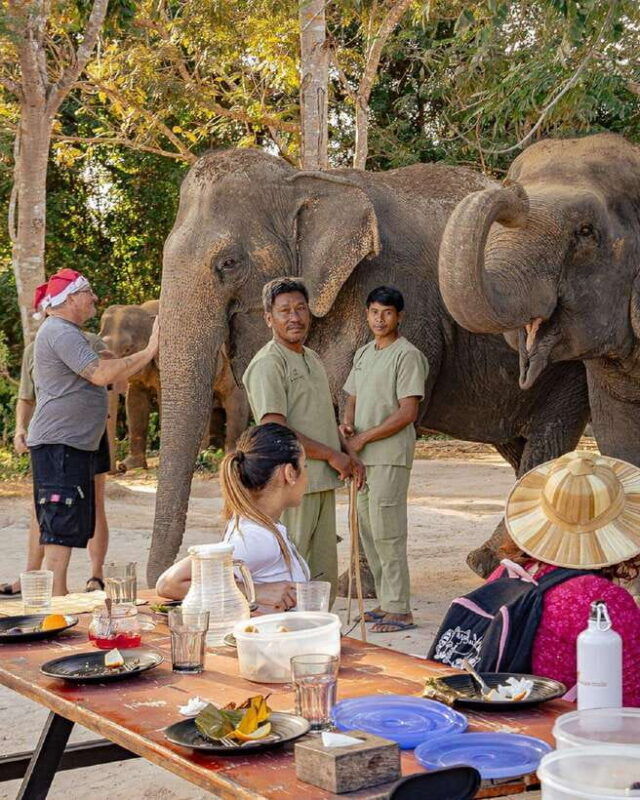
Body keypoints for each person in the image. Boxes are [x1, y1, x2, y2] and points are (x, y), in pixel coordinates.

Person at [431, 451, 640, 706]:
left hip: (514, 718)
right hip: (569, 730)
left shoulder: (508, 574)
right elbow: (631, 693)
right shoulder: (603, 601)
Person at [26, 268, 159, 596]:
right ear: (70, 298)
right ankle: (55, 607)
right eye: (88, 293)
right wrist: (149, 350)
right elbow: (99, 374)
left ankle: (61, 601)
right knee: (59, 524)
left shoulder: (71, 333)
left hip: (78, 442)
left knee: (72, 520)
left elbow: (112, 378)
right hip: (60, 444)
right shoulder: (59, 331)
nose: (94, 299)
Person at [242, 278, 364, 600]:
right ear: (269, 318)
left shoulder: (311, 357)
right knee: (294, 574)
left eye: (300, 309)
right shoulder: (268, 364)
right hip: (291, 483)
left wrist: (347, 452)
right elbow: (276, 432)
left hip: (321, 480)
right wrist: (331, 455)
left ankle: (323, 640)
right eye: (284, 311)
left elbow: (322, 419)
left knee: (322, 577)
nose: (294, 317)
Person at [341, 286, 428, 633]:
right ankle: (385, 601)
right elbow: (352, 395)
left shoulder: (407, 355)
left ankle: (399, 609)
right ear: (367, 314)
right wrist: (349, 424)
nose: (380, 319)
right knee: (369, 531)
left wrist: (364, 437)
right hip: (362, 456)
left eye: (387, 313)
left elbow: (407, 412)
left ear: (399, 317)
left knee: (388, 531)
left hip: (389, 456)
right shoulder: (363, 353)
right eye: (374, 312)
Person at [156, 423, 310, 610]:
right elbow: (170, 583)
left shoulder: (262, 527)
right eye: (305, 466)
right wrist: (255, 591)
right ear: (290, 473)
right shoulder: (258, 537)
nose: (307, 477)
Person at [1, 336, 112, 595]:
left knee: (94, 502)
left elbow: (111, 391)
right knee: (41, 505)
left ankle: (96, 575)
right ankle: (31, 576)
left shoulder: (91, 343)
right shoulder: (33, 349)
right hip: (51, 438)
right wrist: (19, 428)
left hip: (89, 435)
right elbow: (26, 397)